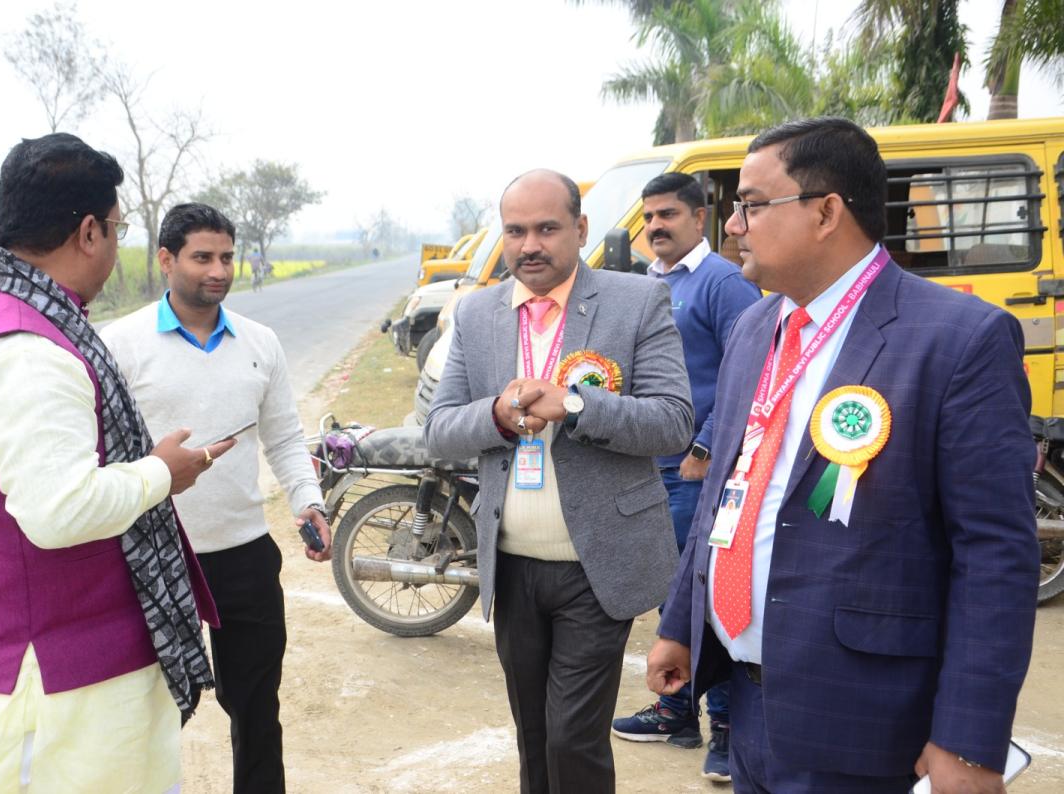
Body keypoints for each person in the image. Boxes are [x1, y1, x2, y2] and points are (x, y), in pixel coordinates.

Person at [647, 117, 1039, 792]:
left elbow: (995, 553)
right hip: (750, 705)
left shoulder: (959, 339)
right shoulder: (756, 326)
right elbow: (724, 493)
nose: (733, 226)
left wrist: (968, 741)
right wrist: (683, 623)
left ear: (826, 212)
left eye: (751, 205)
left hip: (865, 719)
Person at [0, 133, 230, 792]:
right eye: (117, 230)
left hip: (56, 675)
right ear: (90, 232)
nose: (116, 248)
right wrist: (161, 473)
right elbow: (59, 511)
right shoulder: (26, 349)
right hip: (55, 692)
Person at [425, 169, 693, 794]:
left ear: (581, 228)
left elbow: (673, 422)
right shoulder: (477, 313)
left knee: (572, 736)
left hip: (597, 562)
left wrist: (575, 405)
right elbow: (438, 430)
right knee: (534, 734)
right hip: (511, 564)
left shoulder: (637, 300)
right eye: (515, 231)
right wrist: (497, 415)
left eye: (547, 228)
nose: (530, 245)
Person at [101, 202, 332, 794]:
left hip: (243, 553)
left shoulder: (260, 342)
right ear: (166, 259)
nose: (219, 270)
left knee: (256, 708)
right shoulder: (120, 344)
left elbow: (283, 438)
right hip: (151, 558)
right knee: (145, 710)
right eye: (202, 257)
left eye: (227, 257)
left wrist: (308, 501)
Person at [610, 173, 760, 782]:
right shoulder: (647, 284)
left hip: (696, 469)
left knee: (703, 594)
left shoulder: (723, 284)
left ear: (701, 218)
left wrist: (706, 445)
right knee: (671, 594)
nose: (655, 227)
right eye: (648, 217)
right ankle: (677, 709)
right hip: (650, 468)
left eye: (668, 214)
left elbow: (750, 371)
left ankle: (726, 726)